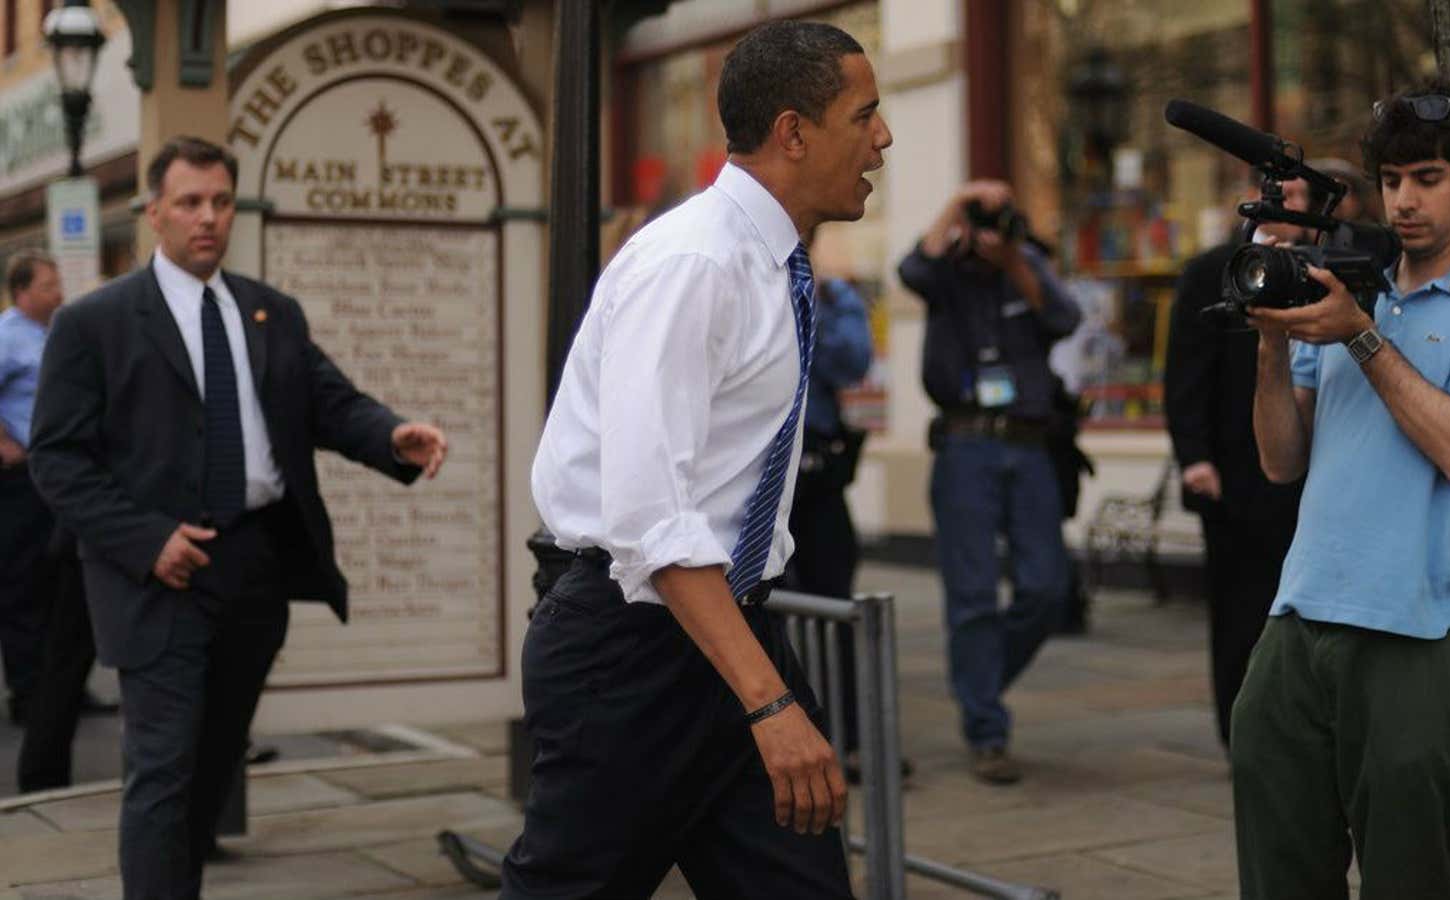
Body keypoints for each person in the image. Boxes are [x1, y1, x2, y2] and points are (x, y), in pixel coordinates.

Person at [500, 21, 891, 899]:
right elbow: (651, 519)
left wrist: (759, 683)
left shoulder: (767, 261)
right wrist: (772, 702)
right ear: (794, 132)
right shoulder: (694, 264)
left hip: (727, 627)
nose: (883, 138)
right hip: (631, 648)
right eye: (864, 115)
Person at [27, 136, 448, 900]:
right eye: (189, 202)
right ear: (153, 211)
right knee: (161, 770)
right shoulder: (94, 324)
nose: (208, 217)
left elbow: (328, 401)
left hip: (254, 566)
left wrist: (391, 436)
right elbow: (57, 460)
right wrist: (147, 540)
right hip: (157, 574)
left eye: (220, 201)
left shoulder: (269, 312)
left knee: (213, 768)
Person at [1230, 81, 1450, 899]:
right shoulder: (1349, 284)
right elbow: (1280, 461)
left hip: (1415, 627)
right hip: (1298, 617)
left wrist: (1363, 335)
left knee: (1410, 875)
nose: (1404, 200)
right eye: (1392, 180)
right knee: (1279, 872)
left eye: (1429, 178)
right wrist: (1272, 342)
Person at [898, 180, 1082, 784]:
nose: (989, 228)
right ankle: (986, 730)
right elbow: (911, 269)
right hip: (965, 445)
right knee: (973, 594)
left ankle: (976, 683)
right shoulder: (944, 273)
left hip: (1028, 446)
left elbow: (1063, 317)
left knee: (1046, 588)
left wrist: (1014, 260)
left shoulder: (1028, 265)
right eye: (983, 218)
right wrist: (957, 201)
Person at [1163, 172, 1312, 747]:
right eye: (1279, 196)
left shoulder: (1329, 271)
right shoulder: (1213, 270)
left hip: (1307, 473)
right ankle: (1241, 733)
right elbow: (1185, 373)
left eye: (1299, 197)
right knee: (1239, 611)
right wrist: (1194, 457)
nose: (1288, 206)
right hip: (1234, 475)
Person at [782, 275, 874, 774]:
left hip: (816, 470)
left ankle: (843, 737)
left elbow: (853, 364)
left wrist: (803, 303)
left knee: (833, 604)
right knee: (760, 610)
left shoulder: (833, 294)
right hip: (756, 475)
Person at [0, 250, 63, 726]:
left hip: (54, 477)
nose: (57, 293)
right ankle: (27, 693)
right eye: (47, 286)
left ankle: (58, 688)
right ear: (22, 292)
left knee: (56, 582)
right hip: (21, 482)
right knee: (23, 585)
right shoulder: (7, 336)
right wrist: (4, 444)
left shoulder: (48, 334)